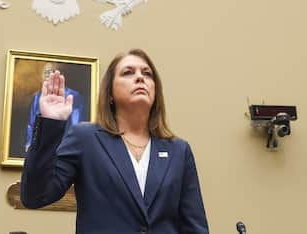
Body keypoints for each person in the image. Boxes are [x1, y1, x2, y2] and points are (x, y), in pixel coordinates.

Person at [21, 49, 209, 233]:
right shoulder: (85, 138)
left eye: (147, 74)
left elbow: (194, 225)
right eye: (128, 72)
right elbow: (35, 196)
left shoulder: (179, 150)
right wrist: (50, 124)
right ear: (109, 93)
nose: (140, 78)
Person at [24, 62, 85, 152]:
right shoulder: (37, 97)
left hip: (65, 147)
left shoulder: (74, 96)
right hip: (41, 147)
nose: (47, 76)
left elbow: (76, 124)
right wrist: (29, 143)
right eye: (45, 73)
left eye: (50, 72)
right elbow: (32, 122)